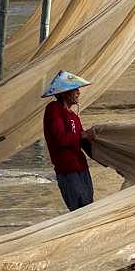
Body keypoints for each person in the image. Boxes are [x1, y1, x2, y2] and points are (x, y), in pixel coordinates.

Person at [42, 70, 95, 212]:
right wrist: (82, 135)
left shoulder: (74, 117)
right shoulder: (53, 110)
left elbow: (83, 143)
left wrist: (107, 158)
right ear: (64, 93)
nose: (79, 92)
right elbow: (60, 139)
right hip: (67, 170)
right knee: (79, 209)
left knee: (89, 206)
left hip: (81, 167)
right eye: (75, 89)